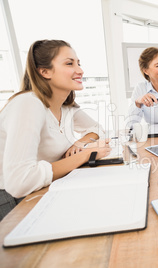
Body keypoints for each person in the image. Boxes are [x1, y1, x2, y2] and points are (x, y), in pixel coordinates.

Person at [0, 40, 111, 220]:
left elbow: (96, 129)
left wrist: (81, 142)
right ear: (45, 72)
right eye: (69, 63)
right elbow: (19, 182)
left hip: (45, 189)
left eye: (79, 63)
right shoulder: (28, 104)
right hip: (10, 201)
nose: (80, 70)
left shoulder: (65, 106)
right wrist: (85, 155)